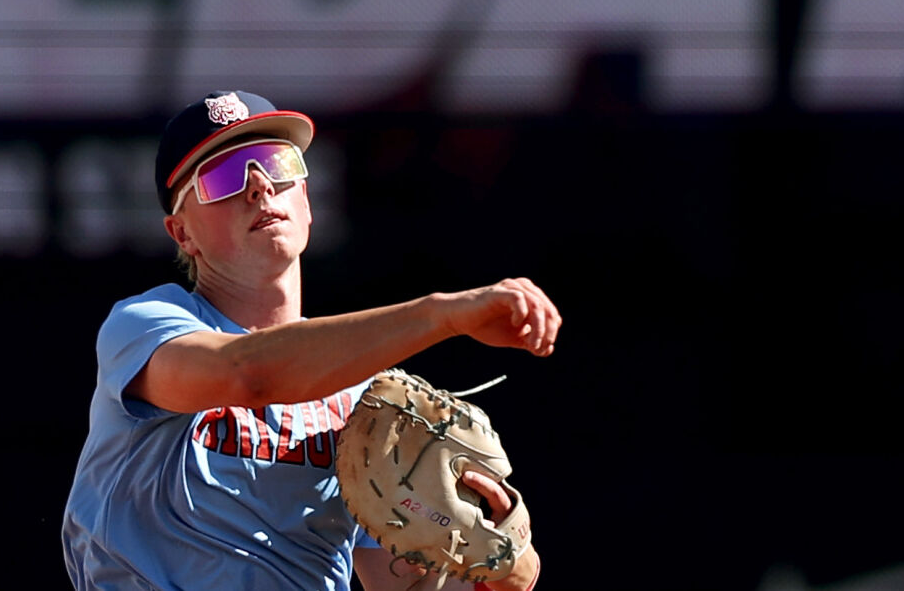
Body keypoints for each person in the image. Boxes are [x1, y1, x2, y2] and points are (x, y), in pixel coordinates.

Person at [62, 90, 560, 591]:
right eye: (221, 177)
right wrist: (441, 315)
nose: (259, 185)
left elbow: (408, 584)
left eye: (277, 163)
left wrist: (504, 560)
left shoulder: (362, 397)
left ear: (306, 200)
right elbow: (246, 374)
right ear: (181, 233)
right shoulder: (146, 324)